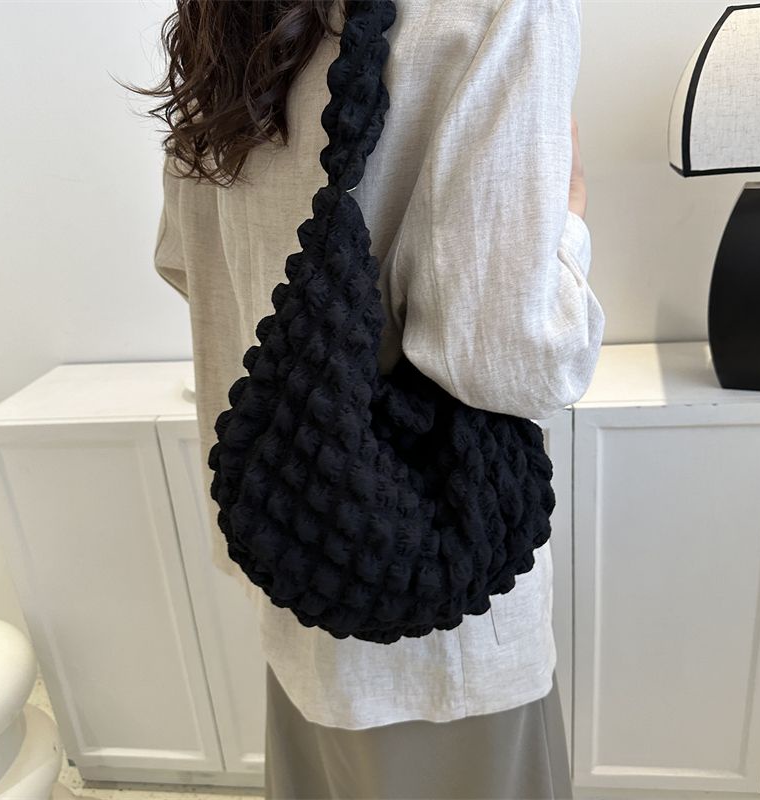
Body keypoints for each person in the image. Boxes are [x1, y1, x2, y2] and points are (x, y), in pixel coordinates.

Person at [135, 0, 605, 796]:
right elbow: (510, 358)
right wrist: (570, 220)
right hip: (440, 636)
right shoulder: (502, 10)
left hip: (294, 562)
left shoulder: (228, 18)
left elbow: (183, 261)